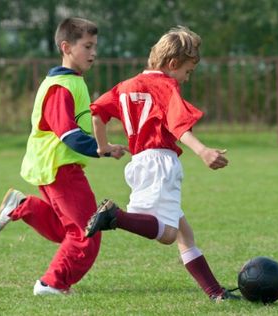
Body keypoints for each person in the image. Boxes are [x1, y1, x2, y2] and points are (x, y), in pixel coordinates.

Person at [84, 26, 239, 301]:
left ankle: (216, 293)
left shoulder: (125, 86)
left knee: (183, 234)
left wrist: (103, 146)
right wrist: (202, 151)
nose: (186, 79)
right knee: (167, 234)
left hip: (139, 162)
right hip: (161, 161)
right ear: (172, 64)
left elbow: (97, 113)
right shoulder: (166, 86)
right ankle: (114, 216)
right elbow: (179, 126)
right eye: (187, 72)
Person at [0, 17, 126, 295]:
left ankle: (23, 206)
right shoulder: (60, 87)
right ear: (66, 47)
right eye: (87, 46)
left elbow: (73, 132)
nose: (94, 52)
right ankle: (51, 284)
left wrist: (104, 146)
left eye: (95, 46)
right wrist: (99, 149)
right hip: (60, 169)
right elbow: (67, 134)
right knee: (87, 232)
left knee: (66, 231)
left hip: (54, 167)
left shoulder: (71, 82)